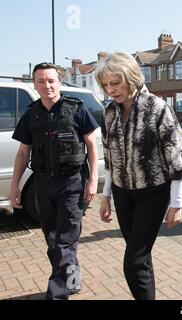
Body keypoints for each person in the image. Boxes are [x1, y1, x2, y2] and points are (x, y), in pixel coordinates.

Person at [95, 52, 182, 300]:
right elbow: (109, 155)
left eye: (115, 83)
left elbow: (176, 158)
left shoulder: (157, 108)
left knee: (133, 262)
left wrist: (176, 203)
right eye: (106, 85)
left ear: (131, 77)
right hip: (122, 193)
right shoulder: (108, 112)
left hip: (153, 193)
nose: (110, 90)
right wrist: (105, 196)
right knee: (141, 258)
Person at [10, 63, 99, 300]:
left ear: (59, 82)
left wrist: (93, 180)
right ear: (35, 84)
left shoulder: (77, 110)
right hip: (42, 184)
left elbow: (92, 146)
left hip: (71, 184)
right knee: (52, 239)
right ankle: (72, 278)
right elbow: (22, 152)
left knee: (65, 241)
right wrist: (14, 185)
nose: (46, 85)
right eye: (41, 81)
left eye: (51, 80)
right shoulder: (31, 114)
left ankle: (58, 294)